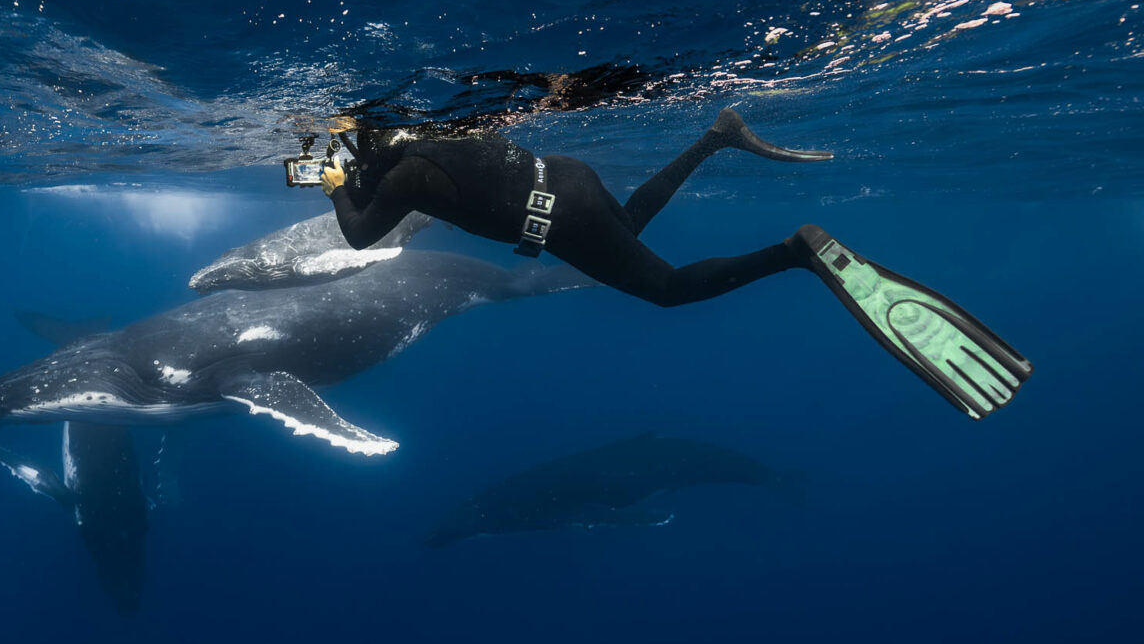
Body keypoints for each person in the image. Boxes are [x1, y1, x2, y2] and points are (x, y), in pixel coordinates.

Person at [319, 109, 1032, 419]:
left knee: (663, 289)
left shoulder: (404, 176)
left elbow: (357, 235)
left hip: (553, 216)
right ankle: (716, 136)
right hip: (566, 177)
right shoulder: (436, 129)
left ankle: (797, 253)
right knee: (623, 228)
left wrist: (330, 183)